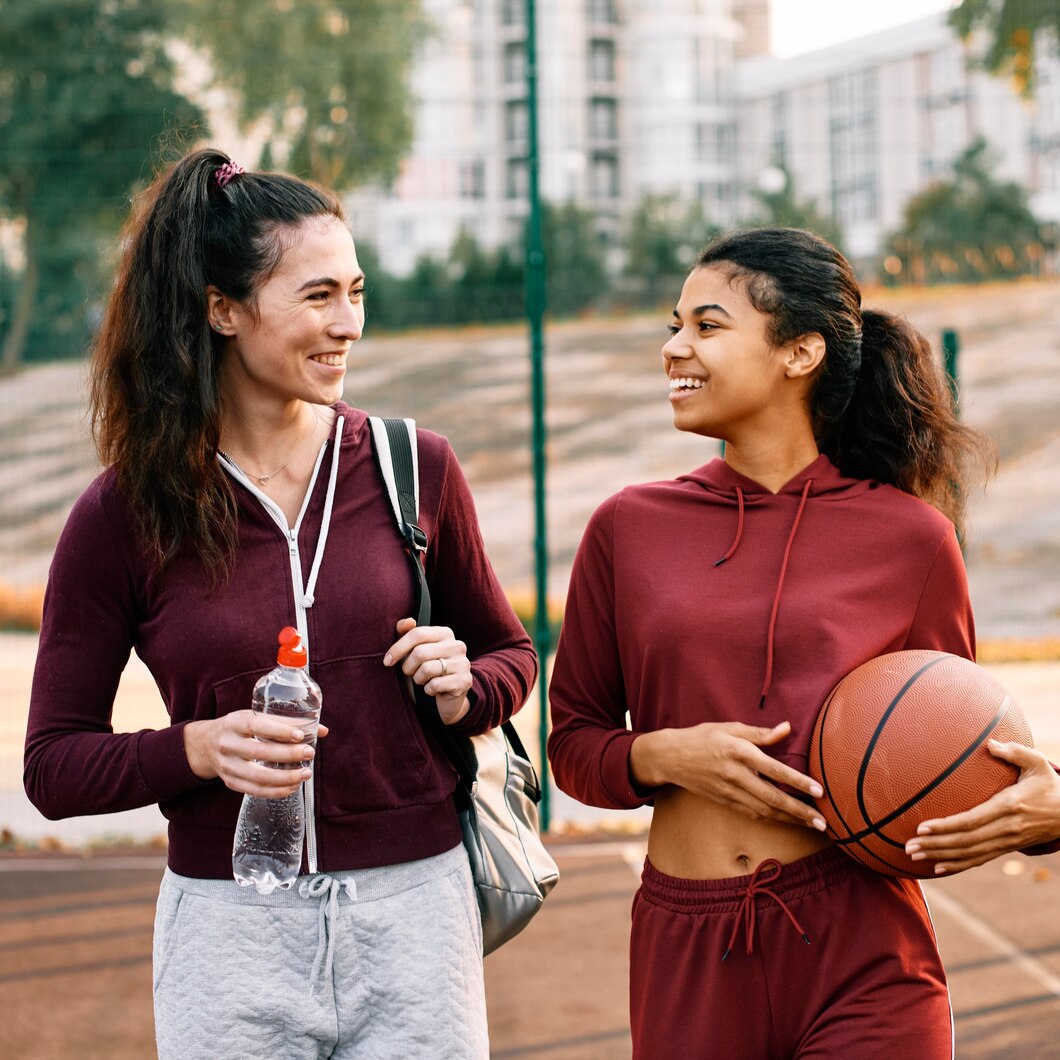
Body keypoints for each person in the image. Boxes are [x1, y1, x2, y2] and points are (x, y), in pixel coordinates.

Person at [23, 148, 536, 1060]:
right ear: (222, 310)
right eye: (316, 296)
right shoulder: (123, 513)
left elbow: (512, 656)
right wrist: (197, 747)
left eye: (357, 290)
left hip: (416, 916)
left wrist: (467, 686)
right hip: (228, 936)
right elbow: (54, 765)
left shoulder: (415, 465)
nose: (349, 324)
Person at [547, 227, 1060, 1058]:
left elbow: (960, 753)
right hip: (690, 945)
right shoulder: (627, 528)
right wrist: (667, 756)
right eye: (674, 326)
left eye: (707, 327)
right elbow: (572, 746)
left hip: (864, 945)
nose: (675, 348)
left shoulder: (912, 540)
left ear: (800, 352)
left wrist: (1046, 813)